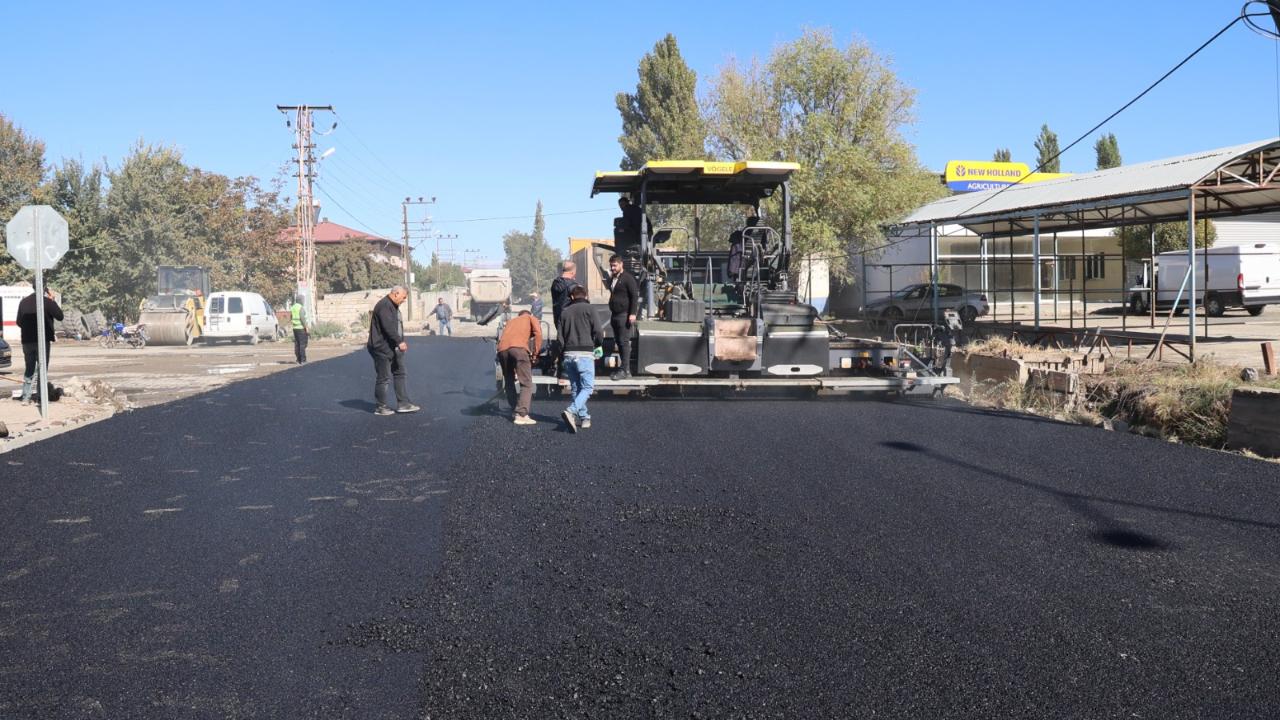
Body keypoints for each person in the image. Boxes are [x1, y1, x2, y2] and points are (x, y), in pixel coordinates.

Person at [367, 286, 419, 416]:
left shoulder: (392, 305)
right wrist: (399, 341)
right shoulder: (384, 305)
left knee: (400, 372)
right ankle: (380, 407)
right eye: (403, 297)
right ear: (396, 294)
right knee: (383, 378)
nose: (404, 300)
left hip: (392, 347)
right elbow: (388, 327)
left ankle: (403, 404)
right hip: (381, 348)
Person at [558, 285, 602, 433]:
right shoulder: (590, 309)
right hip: (584, 354)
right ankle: (571, 411)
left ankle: (584, 418)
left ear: (571, 297)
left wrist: (563, 353)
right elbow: (598, 331)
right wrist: (598, 344)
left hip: (568, 355)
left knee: (576, 387)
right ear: (586, 295)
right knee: (588, 387)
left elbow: (560, 338)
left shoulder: (564, 313)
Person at [496, 309, 543, 425]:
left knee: (509, 381)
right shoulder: (530, 318)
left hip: (502, 351)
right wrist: (535, 353)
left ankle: (514, 410)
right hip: (518, 349)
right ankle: (521, 414)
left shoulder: (511, 322)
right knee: (526, 383)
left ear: (519, 315)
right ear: (528, 314)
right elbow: (538, 334)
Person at [17, 287, 63, 404]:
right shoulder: (47, 302)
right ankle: (41, 398)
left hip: (27, 341)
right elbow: (60, 316)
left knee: (29, 369)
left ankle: (26, 398)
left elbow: (18, 321)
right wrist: (53, 300)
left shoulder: (24, 302)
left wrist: (29, 329)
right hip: (42, 341)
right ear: (45, 289)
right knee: (42, 370)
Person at [606, 253, 639, 381]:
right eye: (611, 266)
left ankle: (624, 370)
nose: (612, 268)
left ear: (621, 264)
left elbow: (634, 296)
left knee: (624, 342)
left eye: (614, 265)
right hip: (615, 315)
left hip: (624, 315)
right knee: (619, 342)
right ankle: (626, 370)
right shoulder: (614, 278)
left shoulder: (628, 278)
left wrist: (632, 313)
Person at [550, 261, 579, 330]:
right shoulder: (573, 286)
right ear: (572, 272)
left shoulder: (555, 283)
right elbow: (580, 303)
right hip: (570, 320)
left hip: (557, 318)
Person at [289, 298, 308, 364]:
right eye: (303, 300)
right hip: (301, 328)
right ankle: (303, 360)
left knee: (297, 344)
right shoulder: (301, 308)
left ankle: (298, 359)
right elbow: (302, 318)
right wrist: (306, 327)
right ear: (301, 301)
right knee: (303, 344)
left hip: (295, 328)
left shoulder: (293, 307)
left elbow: (291, 317)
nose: (303, 301)